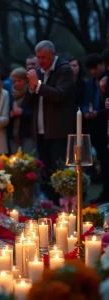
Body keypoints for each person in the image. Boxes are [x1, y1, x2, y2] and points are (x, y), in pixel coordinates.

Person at [25, 40, 74, 204]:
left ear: (53, 55)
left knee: (58, 171)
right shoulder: (38, 72)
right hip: (41, 131)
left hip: (57, 131)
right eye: (38, 57)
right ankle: (51, 205)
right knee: (45, 171)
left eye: (44, 57)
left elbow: (59, 94)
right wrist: (31, 88)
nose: (40, 61)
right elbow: (29, 103)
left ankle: (63, 205)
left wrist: (37, 86)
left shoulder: (64, 70)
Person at [82, 54, 109, 203]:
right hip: (95, 128)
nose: (93, 72)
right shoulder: (90, 84)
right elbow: (87, 100)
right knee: (102, 161)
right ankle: (105, 191)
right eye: (90, 69)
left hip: (105, 122)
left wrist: (98, 112)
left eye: (95, 68)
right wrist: (87, 111)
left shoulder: (106, 80)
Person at [8, 67, 35, 154]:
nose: (16, 84)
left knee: (29, 160)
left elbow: (35, 113)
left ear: (26, 80)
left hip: (28, 133)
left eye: (19, 81)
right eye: (14, 81)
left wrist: (21, 112)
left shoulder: (31, 93)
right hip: (14, 134)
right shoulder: (11, 94)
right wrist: (11, 114)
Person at [68, 58, 87, 132]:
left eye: (74, 65)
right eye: (70, 66)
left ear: (79, 67)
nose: (71, 67)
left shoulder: (85, 84)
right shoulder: (64, 83)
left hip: (81, 117)